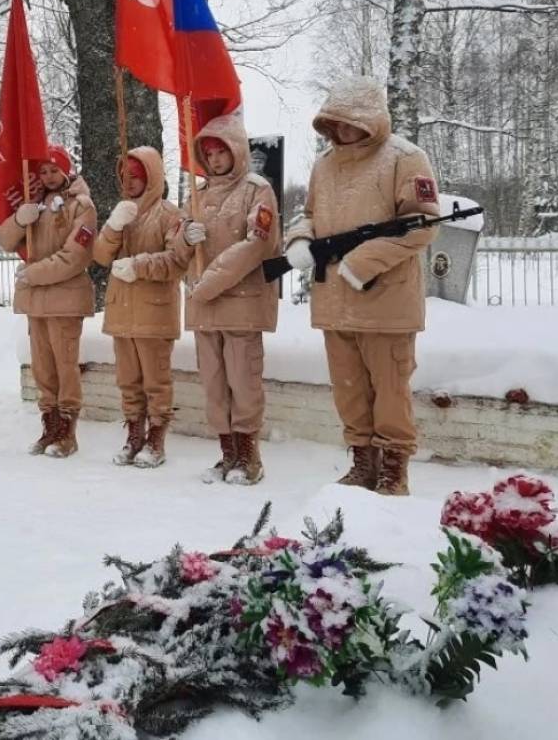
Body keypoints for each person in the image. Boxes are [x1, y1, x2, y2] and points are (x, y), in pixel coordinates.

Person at [284, 75, 440, 496]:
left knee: (389, 390)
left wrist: (362, 262)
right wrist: (300, 239)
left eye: (352, 121)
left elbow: (422, 226)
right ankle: (361, 462)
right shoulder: (324, 165)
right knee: (349, 390)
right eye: (337, 121)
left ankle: (393, 468)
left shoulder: (406, 158)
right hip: (334, 301)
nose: (345, 129)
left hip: (386, 300)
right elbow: (310, 214)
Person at [181, 113, 281, 486]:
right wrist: (184, 238)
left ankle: (249, 455)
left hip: (240, 302)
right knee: (214, 383)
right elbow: (178, 252)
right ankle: (227, 454)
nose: (214, 159)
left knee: (243, 380)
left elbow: (258, 243)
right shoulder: (198, 194)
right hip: (205, 308)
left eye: (220, 151)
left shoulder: (257, 190)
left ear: (236, 151)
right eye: (207, 153)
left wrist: (209, 282)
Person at [93, 147, 191, 468]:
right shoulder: (122, 213)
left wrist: (139, 265)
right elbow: (101, 256)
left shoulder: (170, 215)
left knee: (156, 382)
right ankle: (134, 436)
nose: (129, 181)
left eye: (136, 175)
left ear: (151, 177)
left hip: (154, 313)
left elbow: (176, 262)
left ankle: (156, 440)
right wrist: (113, 226)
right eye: (125, 176)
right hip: (121, 312)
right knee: (128, 381)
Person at [0, 145, 96, 457]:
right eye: (44, 171)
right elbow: (5, 241)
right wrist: (17, 218)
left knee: (66, 366)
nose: (49, 176)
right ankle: (49, 425)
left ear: (66, 171)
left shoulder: (82, 206)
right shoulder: (33, 204)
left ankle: (67, 430)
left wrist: (34, 273)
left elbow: (75, 257)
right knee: (43, 368)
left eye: (55, 170)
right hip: (36, 301)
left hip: (65, 299)